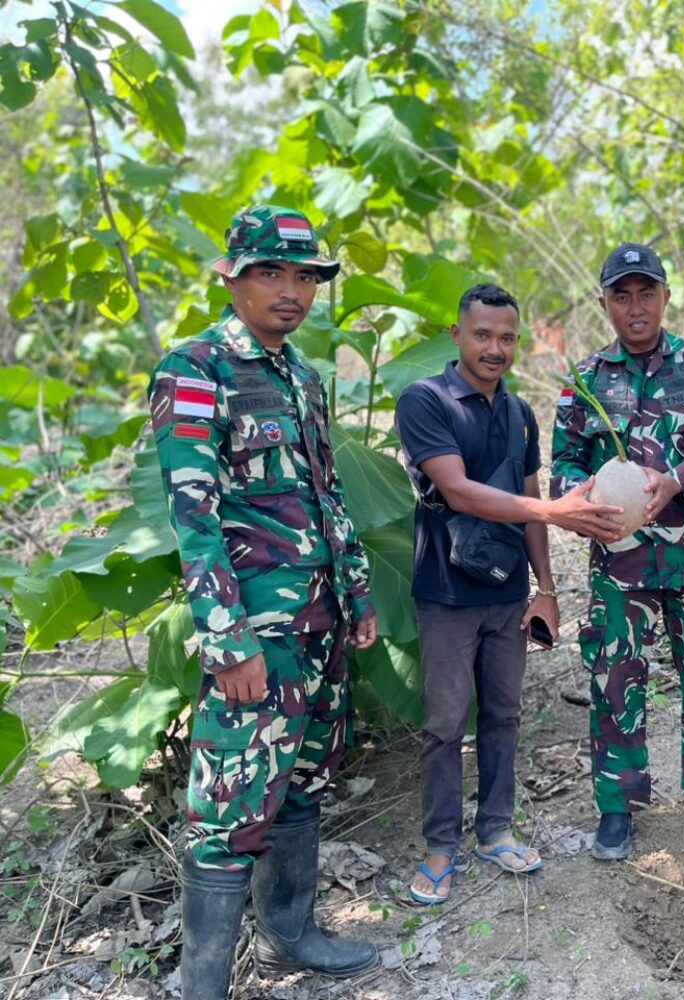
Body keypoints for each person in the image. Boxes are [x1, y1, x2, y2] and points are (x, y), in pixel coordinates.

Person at [149, 206, 379, 999]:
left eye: (305, 276)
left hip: (319, 628)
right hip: (257, 636)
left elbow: (328, 496)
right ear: (233, 275)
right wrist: (228, 641)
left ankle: (294, 935)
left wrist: (355, 595)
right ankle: (202, 982)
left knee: (302, 783)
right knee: (227, 807)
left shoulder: (303, 379)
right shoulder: (195, 369)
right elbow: (194, 517)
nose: (292, 291)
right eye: (270, 273)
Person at [394, 284, 623, 903]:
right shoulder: (426, 401)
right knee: (444, 724)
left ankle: (495, 831)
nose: (495, 349)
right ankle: (440, 847)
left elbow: (526, 512)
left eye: (507, 338)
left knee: (504, 715)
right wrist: (554, 510)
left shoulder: (520, 413)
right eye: (483, 335)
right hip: (445, 594)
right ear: (457, 335)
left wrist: (544, 589)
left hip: (506, 594)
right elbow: (461, 492)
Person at [550, 243, 684, 861]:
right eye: (623, 295)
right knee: (616, 678)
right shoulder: (583, 381)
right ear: (606, 303)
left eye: (647, 292)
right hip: (618, 562)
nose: (636, 306)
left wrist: (676, 478)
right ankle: (617, 808)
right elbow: (562, 463)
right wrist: (576, 503)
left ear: (666, 297)